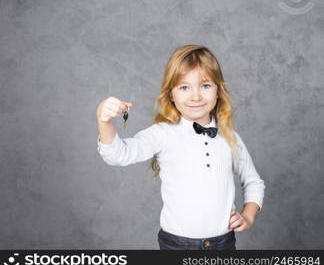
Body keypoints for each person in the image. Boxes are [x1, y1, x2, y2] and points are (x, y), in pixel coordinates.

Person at [96, 45, 265, 250]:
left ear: (218, 91)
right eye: (184, 87)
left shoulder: (230, 137)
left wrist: (248, 216)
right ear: (171, 96)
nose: (196, 96)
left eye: (205, 86)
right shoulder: (162, 134)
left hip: (223, 244)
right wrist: (103, 120)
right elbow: (118, 155)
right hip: (176, 246)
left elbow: (253, 181)